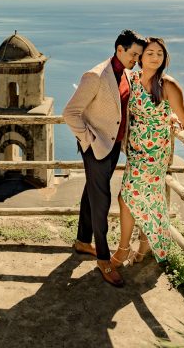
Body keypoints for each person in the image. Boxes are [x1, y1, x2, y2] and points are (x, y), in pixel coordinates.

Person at [111, 37, 184, 268]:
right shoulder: (133, 79)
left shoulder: (168, 85)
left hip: (155, 152)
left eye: (160, 53)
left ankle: (123, 249)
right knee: (147, 199)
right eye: (150, 53)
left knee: (126, 197)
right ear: (140, 57)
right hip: (135, 150)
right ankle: (145, 244)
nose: (155, 57)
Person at [63, 29, 145, 287]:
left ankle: (82, 241)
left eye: (138, 55)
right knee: (102, 201)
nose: (136, 59)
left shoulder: (128, 74)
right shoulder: (96, 76)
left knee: (92, 193)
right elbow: (70, 113)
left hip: (113, 147)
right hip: (96, 148)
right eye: (133, 54)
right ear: (119, 49)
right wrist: (88, 141)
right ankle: (103, 258)